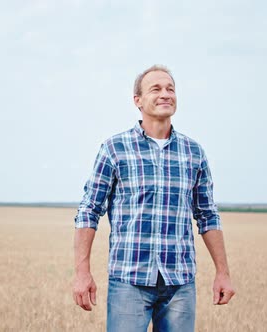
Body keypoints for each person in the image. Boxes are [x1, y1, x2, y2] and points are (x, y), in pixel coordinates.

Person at [72, 65, 235, 331]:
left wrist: (223, 273)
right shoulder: (115, 149)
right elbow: (89, 211)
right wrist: (82, 273)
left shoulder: (194, 152)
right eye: (156, 89)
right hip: (128, 281)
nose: (165, 94)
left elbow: (207, 215)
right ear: (137, 101)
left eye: (170, 88)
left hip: (179, 283)